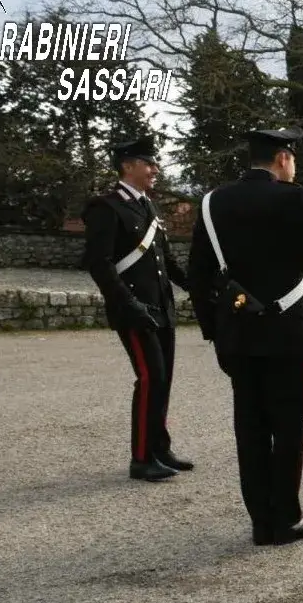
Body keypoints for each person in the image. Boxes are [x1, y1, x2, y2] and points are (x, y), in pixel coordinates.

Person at [185, 126, 303, 547]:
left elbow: (198, 275)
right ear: (283, 158)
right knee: (287, 429)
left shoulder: (213, 202)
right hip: (287, 333)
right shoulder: (293, 198)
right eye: (292, 158)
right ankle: (286, 518)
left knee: (249, 429)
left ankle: (260, 523)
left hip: (237, 334)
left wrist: (215, 330)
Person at [80, 135, 193, 482]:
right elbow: (99, 263)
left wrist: (198, 287)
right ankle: (141, 459)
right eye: (149, 163)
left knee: (163, 379)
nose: (155, 169)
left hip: (161, 307)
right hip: (133, 309)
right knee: (150, 377)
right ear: (127, 166)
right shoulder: (106, 207)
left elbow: (166, 261)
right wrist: (127, 304)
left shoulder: (148, 206)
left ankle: (159, 448)